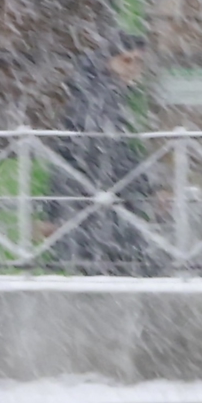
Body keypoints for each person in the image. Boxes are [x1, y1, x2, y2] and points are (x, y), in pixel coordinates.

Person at [53, 33, 156, 275]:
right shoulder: (101, 98)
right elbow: (106, 149)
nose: (134, 69)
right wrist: (147, 186)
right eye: (126, 61)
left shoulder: (100, 94)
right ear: (106, 62)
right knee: (118, 268)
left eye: (139, 62)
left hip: (93, 201)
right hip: (98, 201)